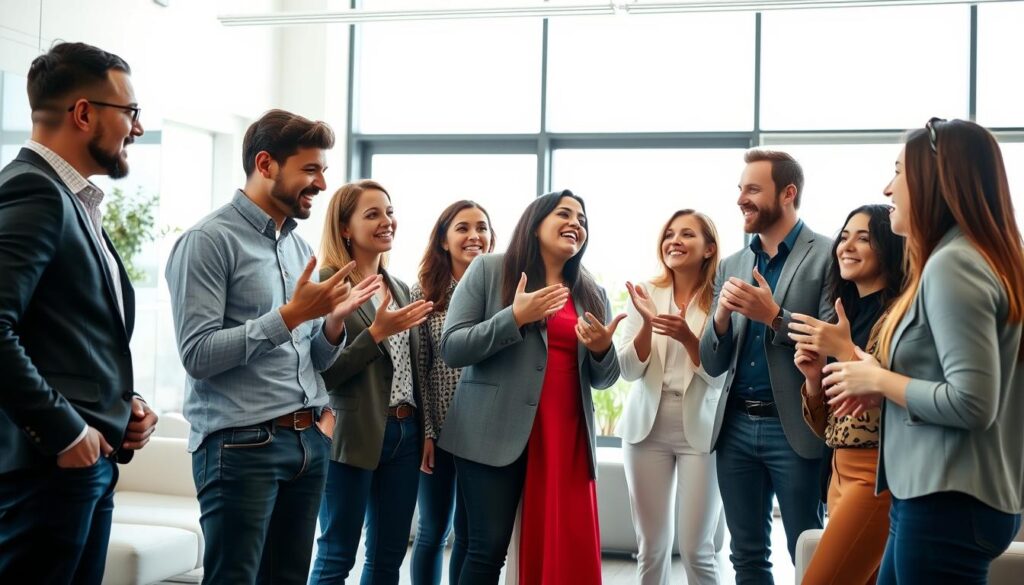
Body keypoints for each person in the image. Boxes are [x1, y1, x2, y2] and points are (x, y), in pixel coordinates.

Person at [165, 110, 378, 585]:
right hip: (242, 447)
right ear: (265, 164)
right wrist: (292, 316)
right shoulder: (207, 241)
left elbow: (311, 359)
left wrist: (331, 326)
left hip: (308, 443)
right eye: (310, 169)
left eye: (322, 169)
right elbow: (197, 355)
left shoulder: (297, 249)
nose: (322, 183)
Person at [822, 118, 1024, 584]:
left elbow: (973, 403)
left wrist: (877, 379)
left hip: (946, 502)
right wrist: (879, 382)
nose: (887, 188)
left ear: (934, 182)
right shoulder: (969, 256)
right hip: (935, 496)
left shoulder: (954, 264)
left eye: (898, 172)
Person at [0, 41, 158, 584]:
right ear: (84, 113)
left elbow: (69, 335)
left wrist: (124, 404)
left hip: (83, 466)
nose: (136, 127)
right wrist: (67, 431)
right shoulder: (34, 191)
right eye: (130, 111)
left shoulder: (71, 200)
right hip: (47, 469)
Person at [439, 190, 622, 585]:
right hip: (492, 433)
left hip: (564, 441)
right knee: (486, 550)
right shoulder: (489, 269)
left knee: (564, 547)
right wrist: (514, 318)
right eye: (564, 213)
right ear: (535, 223)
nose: (576, 223)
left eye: (583, 219)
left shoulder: (591, 293)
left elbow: (604, 379)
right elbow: (452, 347)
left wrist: (603, 349)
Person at [698, 149, 832, 584]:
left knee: (808, 552)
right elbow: (712, 362)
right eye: (740, 189)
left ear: (788, 193)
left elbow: (832, 341)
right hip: (735, 427)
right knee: (746, 557)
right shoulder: (733, 264)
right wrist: (719, 320)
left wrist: (775, 316)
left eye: (752, 189)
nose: (741, 199)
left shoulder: (828, 255)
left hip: (794, 426)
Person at [310, 179, 433, 585]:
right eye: (373, 214)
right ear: (345, 228)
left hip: (404, 432)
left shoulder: (397, 287)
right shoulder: (326, 285)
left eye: (390, 211)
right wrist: (375, 334)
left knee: (387, 559)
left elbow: (415, 368)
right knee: (336, 555)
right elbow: (323, 369)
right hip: (352, 432)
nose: (387, 221)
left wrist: (424, 429)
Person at [789, 204, 905, 585]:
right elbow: (834, 425)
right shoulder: (846, 317)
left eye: (863, 237)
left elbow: (895, 399)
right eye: (844, 236)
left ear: (889, 246)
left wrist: (842, 351)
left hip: (876, 473)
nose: (846, 246)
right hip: (837, 469)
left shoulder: (900, 317)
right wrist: (811, 379)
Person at [617, 209, 725, 585]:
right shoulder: (645, 293)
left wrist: (688, 338)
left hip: (701, 431)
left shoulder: (721, 299)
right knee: (651, 546)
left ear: (709, 248)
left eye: (687, 235)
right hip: (646, 429)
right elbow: (627, 370)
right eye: (669, 234)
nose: (674, 241)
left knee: (698, 549)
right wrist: (648, 324)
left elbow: (718, 377)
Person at [410, 200, 496, 585]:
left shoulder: (502, 291)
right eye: (463, 228)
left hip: (485, 431)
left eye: (482, 227)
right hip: (441, 431)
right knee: (432, 531)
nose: (474, 235)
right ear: (444, 240)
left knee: (471, 533)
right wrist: (427, 431)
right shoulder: (424, 292)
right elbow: (419, 369)